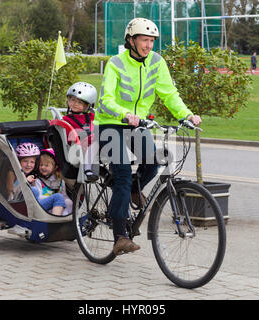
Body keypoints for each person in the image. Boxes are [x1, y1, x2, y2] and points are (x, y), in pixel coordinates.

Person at [95, 18, 202, 256]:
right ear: (131, 40)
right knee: (122, 173)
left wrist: (186, 114)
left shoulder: (156, 62)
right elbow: (106, 99)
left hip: (138, 125)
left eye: (152, 40)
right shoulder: (116, 63)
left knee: (153, 162)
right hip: (110, 124)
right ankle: (120, 235)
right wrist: (126, 114)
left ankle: (132, 191)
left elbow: (168, 93)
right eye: (144, 40)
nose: (149, 45)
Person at [62, 82, 99, 182]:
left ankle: (93, 172)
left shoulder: (92, 117)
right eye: (72, 100)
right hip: (76, 147)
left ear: (87, 105)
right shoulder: (66, 119)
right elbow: (67, 137)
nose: (75, 104)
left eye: (80, 102)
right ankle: (87, 170)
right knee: (93, 139)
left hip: (93, 145)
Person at [30, 149, 72, 216]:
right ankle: (56, 219)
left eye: (46, 165)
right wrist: (53, 198)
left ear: (55, 167)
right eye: (41, 165)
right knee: (58, 197)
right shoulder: (38, 180)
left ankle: (69, 219)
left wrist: (69, 202)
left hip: (58, 206)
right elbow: (38, 198)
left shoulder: (60, 181)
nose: (43, 167)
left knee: (68, 202)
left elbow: (64, 195)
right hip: (43, 207)